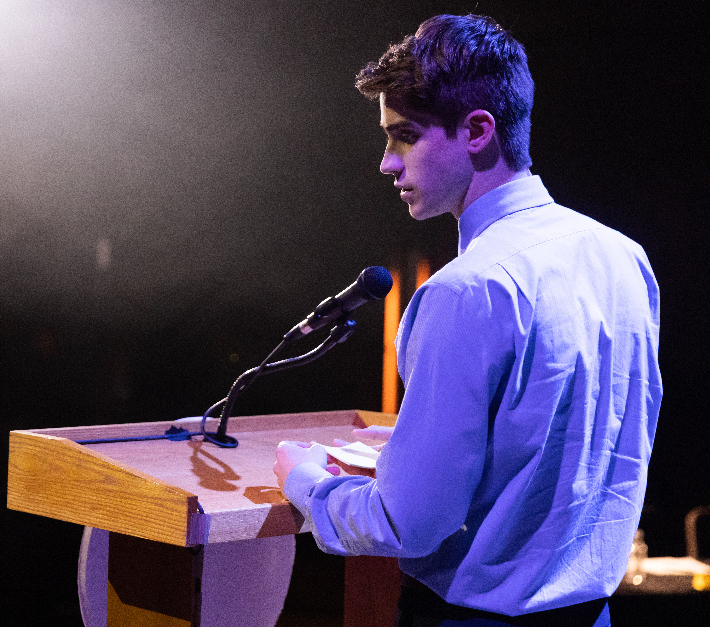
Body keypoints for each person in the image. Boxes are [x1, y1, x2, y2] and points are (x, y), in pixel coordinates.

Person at [273, 14, 661, 627]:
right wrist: (410, 452)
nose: (386, 163)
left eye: (403, 136)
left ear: (478, 130)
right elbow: (560, 450)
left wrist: (304, 480)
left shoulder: (466, 290)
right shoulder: (622, 256)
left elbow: (406, 524)